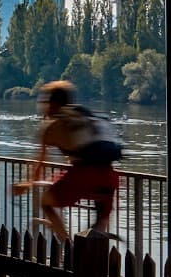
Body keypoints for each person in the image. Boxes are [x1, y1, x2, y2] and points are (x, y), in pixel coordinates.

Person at [12, 80, 123, 242]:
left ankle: (68, 246)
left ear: (52, 103)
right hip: (109, 176)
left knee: (46, 202)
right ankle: (95, 256)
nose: (42, 106)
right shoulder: (87, 117)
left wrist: (28, 184)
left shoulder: (53, 126)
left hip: (83, 175)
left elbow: (41, 161)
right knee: (99, 227)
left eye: (45, 101)